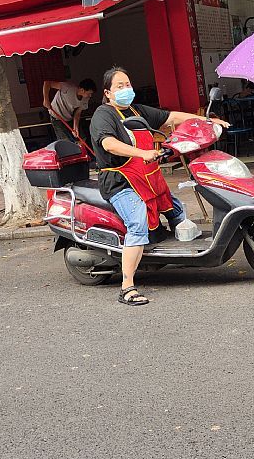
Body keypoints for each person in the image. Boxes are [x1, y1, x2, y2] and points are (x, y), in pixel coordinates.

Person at [90, 66, 229, 306]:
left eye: (128, 84)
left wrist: (207, 121)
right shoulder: (103, 115)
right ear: (108, 93)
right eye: (120, 86)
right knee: (137, 224)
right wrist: (142, 153)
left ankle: (182, 255)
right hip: (120, 181)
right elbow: (109, 144)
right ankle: (127, 287)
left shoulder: (137, 110)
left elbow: (172, 117)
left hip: (147, 177)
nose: (126, 89)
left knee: (177, 210)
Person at [43, 78, 96, 143]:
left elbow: (77, 113)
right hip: (56, 117)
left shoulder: (85, 99)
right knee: (65, 142)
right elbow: (47, 83)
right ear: (82, 90)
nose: (90, 96)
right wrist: (46, 100)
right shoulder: (67, 87)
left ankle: (81, 149)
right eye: (89, 93)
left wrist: (75, 127)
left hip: (68, 118)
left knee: (81, 138)